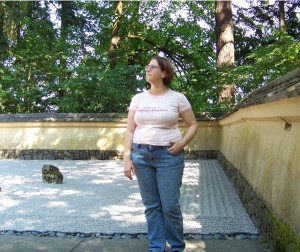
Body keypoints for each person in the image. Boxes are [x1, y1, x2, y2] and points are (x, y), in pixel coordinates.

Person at [123, 56, 198, 252]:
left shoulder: (177, 98)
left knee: (170, 206)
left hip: (168, 156)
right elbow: (130, 130)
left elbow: (193, 125)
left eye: (153, 67)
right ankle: (156, 247)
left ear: (164, 73)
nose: (148, 69)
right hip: (141, 155)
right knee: (151, 205)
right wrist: (127, 158)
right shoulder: (138, 98)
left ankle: (175, 247)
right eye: (147, 66)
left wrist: (182, 143)